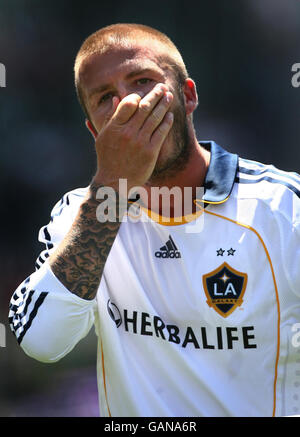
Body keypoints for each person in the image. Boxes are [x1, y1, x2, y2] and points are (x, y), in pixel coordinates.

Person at [9, 23, 300, 417]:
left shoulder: (283, 207)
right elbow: (42, 342)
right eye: (105, 97)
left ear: (188, 95)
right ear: (96, 131)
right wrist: (112, 185)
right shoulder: (80, 214)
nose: (129, 105)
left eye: (142, 81)